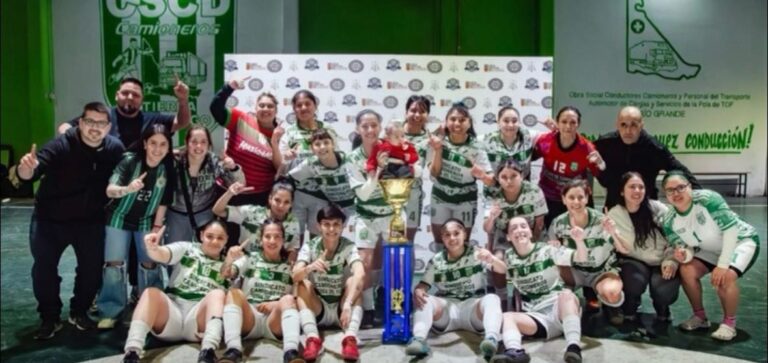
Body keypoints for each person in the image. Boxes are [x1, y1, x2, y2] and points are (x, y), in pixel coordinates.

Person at [16, 102, 125, 339]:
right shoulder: (60, 145)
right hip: (49, 220)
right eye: (90, 122)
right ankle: (49, 318)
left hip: (89, 221)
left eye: (101, 123)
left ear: (108, 128)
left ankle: (80, 311)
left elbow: (128, 170)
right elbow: (31, 172)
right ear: (80, 123)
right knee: (43, 270)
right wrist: (26, 169)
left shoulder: (114, 149)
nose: (95, 128)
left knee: (91, 270)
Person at [661, 171, 760, 341]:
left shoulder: (708, 199)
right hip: (709, 249)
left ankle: (729, 324)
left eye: (680, 187)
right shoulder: (669, 221)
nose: (676, 193)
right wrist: (684, 254)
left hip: (740, 241)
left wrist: (722, 265)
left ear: (690, 187)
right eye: (670, 190)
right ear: (665, 194)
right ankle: (700, 317)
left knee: (726, 277)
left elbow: (731, 231)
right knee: (686, 270)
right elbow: (687, 248)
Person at [96, 123, 176, 329]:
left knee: (150, 263)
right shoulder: (129, 161)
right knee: (114, 265)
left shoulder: (167, 168)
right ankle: (111, 311)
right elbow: (109, 190)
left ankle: (153, 309)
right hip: (118, 218)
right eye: (153, 143)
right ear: (145, 144)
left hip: (145, 222)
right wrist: (127, 189)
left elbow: (164, 201)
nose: (157, 149)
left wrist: (157, 228)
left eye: (163, 144)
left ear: (168, 147)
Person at [120, 220, 231, 363]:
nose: (214, 241)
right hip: (173, 315)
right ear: (201, 235)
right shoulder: (187, 248)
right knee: (151, 293)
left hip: (198, 321)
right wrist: (152, 248)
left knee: (218, 294)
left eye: (220, 238)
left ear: (226, 240)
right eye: (209, 236)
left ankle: (208, 351)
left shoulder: (231, 266)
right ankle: (132, 352)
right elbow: (162, 254)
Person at [491, 217, 586, 363]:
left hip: (559, 308)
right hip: (536, 316)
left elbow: (581, 257)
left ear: (530, 232)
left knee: (567, 295)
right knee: (507, 317)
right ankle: (515, 352)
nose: (519, 230)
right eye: (514, 228)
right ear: (509, 237)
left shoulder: (547, 249)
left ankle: (573, 348)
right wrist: (488, 259)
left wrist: (579, 241)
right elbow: (499, 269)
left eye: (523, 226)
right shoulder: (509, 257)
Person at [407, 219, 502, 360]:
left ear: (464, 234)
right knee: (425, 299)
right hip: (447, 311)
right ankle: (419, 340)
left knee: (492, 298)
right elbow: (423, 285)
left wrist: (492, 259)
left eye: (456, 233)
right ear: (442, 238)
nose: (452, 238)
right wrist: (419, 290)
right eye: (447, 235)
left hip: (473, 309)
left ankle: (491, 339)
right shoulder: (436, 260)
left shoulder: (477, 254)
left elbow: (503, 269)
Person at [218, 220, 303, 363]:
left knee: (288, 299)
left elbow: (297, 299)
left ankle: (291, 352)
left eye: (277, 237)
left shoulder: (290, 266)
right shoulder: (249, 259)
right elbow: (226, 274)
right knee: (234, 293)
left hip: (274, 319)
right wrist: (229, 259)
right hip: (249, 316)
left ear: (283, 240)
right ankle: (233, 350)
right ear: (260, 239)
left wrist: (276, 304)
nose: (272, 241)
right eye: (267, 236)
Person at [292, 205, 365, 362]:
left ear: (343, 226)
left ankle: (350, 338)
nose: (331, 229)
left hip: (342, 308)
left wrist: (347, 304)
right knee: (302, 283)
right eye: (326, 224)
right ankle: (313, 339)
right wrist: (310, 267)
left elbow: (360, 272)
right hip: (319, 307)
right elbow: (295, 275)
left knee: (356, 282)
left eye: (336, 224)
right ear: (318, 226)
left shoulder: (348, 246)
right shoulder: (310, 246)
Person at [606, 172, 680, 323]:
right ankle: (631, 303)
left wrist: (671, 260)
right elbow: (622, 249)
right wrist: (611, 232)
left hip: (662, 260)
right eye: (632, 187)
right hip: (635, 259)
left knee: (664, 292)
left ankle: (662, 306)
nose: (637, 191)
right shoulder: (615, 214)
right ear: (622, 191)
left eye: (641, 187)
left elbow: (676, 238)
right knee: (634, 282)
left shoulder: (658, 209)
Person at [594, 106, 700, 210]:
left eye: (634, 125)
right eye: (623, 125)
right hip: (615, 205)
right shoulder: (605, 144)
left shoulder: (654, 148)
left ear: (641, 125)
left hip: (646, 207)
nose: (628, 131)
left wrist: (703, 197)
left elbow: (680, 170)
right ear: (617, 125)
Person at [548, 179, 625, 319]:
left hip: (600, 271)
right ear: (564, 199)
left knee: (612, 293)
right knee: (550, 282)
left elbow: (624, 249)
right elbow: (552, 253)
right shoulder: (558, 223)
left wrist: (614, 232)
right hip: (574, 271)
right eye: (571, 197)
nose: (576, 202)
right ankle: (571, 303)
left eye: (580, 197)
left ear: (587, 198)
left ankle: (611, 305)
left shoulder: (602, 221)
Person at [346, 109, 393, 326]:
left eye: (374, 125)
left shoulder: (391, 149)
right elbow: (363, 194)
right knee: (364, 262)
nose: (370, 130)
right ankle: (367, 309)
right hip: (366, 215)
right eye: (365, 126)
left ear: (380, 126)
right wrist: (376, 172)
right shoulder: (353, 158)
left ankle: (394, 307)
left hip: (392, 213)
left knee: (394, 260)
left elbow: (415, 172)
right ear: (358, 129)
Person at [483, 160, 547, 309]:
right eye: (504, 177)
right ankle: (502, 298)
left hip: (530, 234)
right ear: (498, 178)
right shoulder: (493, 194)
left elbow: (539, 222)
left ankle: (526, 293)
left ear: (522, 175)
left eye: (513, 176)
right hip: (504, 236)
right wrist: (492, 216)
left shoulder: (534, 191)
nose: (509, 181)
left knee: (532, 260)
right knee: (497, 260)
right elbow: (487, 228)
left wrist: (533, 246)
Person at [276, 90, 339, 240]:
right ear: (294, 109)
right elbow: (280, 168)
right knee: (294, 240)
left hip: (321, 195)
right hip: (295, 196)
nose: (303, 108)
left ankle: (315, 265)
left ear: (315, 105)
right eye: (299, 105)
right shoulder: (290, 133)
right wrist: (286, 158)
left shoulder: (328, 130)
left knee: (317, 240)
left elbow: (337, 162)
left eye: (307, 104)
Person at [428, 103, 494, 244]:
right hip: (440, 198)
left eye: (462, 120)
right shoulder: (436, 142)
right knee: (440, 242)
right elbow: (434, 173)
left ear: (469, 124)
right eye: (452, 119)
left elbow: (491, 181)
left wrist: (481, 175)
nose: (457, 123)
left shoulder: (477, 147)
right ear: (446, 122)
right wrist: (438, 150)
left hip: (465, 201)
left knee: (461, 243)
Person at [58, 77, 190, 148]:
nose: (130, 97)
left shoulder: (151, 119)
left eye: (135, 95)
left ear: (142, 100)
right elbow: (64, 127)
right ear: (116, 95)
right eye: (125, 93)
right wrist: (77, 143)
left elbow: (181, 122)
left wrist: (183, 100)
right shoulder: (101, 116)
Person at [210, 77, 281, 206]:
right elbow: (216, 109)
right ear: (255, 108)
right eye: (262, 105)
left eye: (270, 106)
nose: (265, 109)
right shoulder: (240, 119)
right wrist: (229, 88)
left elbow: (280, 168)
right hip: (228, 191)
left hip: (259, 197)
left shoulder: (280, 136)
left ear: (276, 111)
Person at [166, 125, 244, 243]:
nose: (199, 146)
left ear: (209, 144)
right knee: (175, 255)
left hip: (204, 216)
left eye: (203, 142)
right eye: (194, 142)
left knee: (204, 255)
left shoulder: (213, 162)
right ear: (186, 142)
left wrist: (233, 168)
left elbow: (238, 185)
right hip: (176, 216)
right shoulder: (174, 161)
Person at [533, 106, 605, 227]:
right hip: (548, 199)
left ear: (578, 124)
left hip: (574, 202)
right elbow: (525, 159)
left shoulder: (587, 149)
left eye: (573, 122)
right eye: (564, 122)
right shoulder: (545, 141)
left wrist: (601, 163)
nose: (568, 126)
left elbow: (601, 175)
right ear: (557, 122)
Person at [284, 128, 355, 235]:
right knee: (328, 237)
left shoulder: (348, 160)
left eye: (326, 143)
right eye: (317, 144)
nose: (322, 147)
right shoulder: (311, 164)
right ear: (312, 149)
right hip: (334, 208)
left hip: (354, 207)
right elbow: (288, 179)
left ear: (333, 145)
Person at [212, 180, 300, 260]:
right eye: (277, 200)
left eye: (286, 202)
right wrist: (229, 193)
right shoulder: (251, 212)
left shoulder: (293, 222)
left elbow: (292, 248)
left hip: (274, 266)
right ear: (270, 199)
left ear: (291, 204)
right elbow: (218, 210)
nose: (281, 206)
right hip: (245, 262)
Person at [480, 106, 535, 190]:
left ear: (519, 122)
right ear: (498, 122)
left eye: (514, 121)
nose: (510, 125)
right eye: (506, 121)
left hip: (523, 192)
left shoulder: (528, 136)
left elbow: (555, 135)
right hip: (495, 192)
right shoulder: (486, 140)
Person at [403, 95, 432, 241]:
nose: (417, 115)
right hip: (391, 193)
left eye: (422, 111)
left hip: (414, 194)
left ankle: (408, 265)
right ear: (406, 112)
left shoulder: (429, 139)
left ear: (427, 115)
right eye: (413, 110)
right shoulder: (393, 133)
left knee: (408, 240)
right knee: (388, 239)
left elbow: (432, 167)